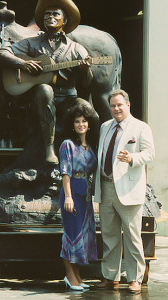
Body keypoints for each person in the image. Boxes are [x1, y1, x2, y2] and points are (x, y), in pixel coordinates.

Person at [0, 0, 96, 165]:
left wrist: (85, 69)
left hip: (69, 99)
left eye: (56, 13)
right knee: (45, 89)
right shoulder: (32, 42)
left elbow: (86, 84)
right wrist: (23, 64)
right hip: (39, 100)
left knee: (91, 111)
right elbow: (2, 53)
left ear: (65, 20)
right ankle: (49, 149)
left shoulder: (76, 48)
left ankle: (94, 153)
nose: (50, 16)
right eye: (47, 14)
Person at [94, 89, 155, 293]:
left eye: (120, 105)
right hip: (106, 187)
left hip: (129, 189)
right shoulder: (105, 127)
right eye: (113, 105)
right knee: (109, 236)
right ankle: (110, 277)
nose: (116, 109)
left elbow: (149, 153)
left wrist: (132, 159)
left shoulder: (140, 127)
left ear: (128, 105)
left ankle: (134, 278)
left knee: (132, 237)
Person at [59, 103, 98, 290]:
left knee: (81, 236)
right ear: (72, 124)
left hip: (86, 194)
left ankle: (78, 276)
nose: (81, 124)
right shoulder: (67, 145)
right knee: (71, 235)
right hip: (72, 190)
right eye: (77, 121)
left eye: (84, 121)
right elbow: (65, 173)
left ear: (89, 124)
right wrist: (68, 197)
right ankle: (69, 276)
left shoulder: (90, 147)